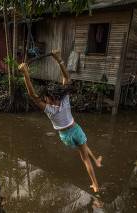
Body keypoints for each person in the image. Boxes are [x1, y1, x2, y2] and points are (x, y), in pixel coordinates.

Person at [18, 50, 102, 193]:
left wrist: (26, 74)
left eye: (46, 98)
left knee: (83, 149)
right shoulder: (64, 99)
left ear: (50, 98)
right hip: (76, 130)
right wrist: (59, 59)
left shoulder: (49, 109)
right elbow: (66, 77)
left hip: (65, 137)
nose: (45, 99)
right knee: (84, 156)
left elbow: (33, 95)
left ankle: (96, 161)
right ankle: (95, 184)